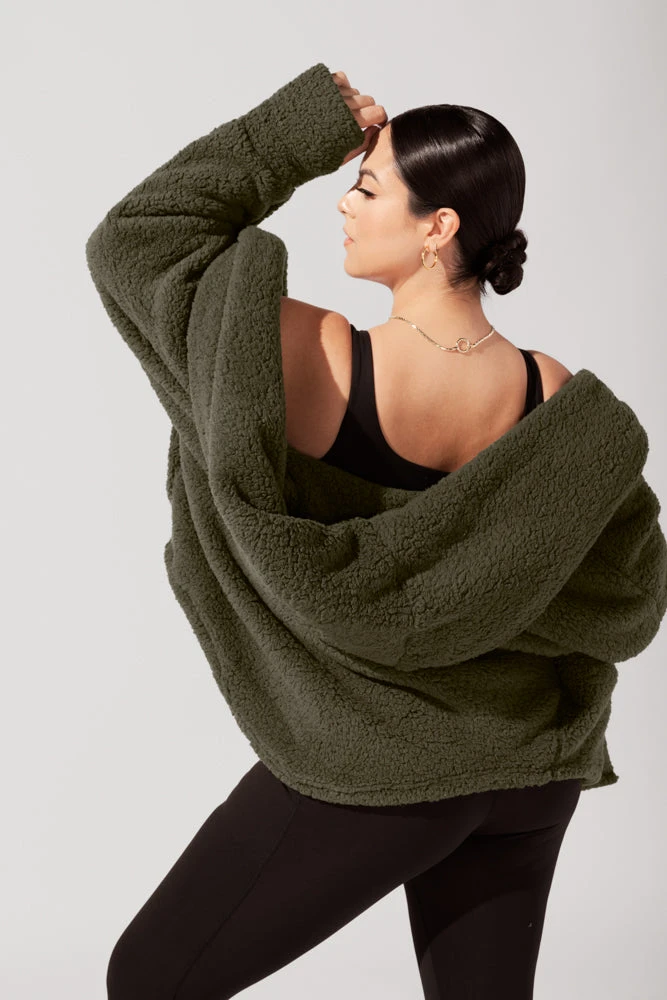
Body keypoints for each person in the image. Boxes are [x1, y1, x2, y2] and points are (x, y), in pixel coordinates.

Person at [100, 68, 589, 1000]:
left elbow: (138, 239)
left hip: (385, 761)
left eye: (366, 187)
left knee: (150, 977)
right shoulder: (551, 391)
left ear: (437, 227)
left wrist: (296, 132)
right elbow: (617, 581)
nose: (344, 203)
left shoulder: (315, 356)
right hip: (531, 765)